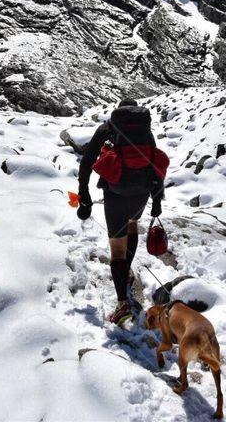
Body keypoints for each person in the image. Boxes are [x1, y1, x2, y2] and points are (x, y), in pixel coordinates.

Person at [77, 99, 165, 326]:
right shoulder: (145, 132)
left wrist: (83, 195)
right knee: (132, 226)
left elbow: (87, 162)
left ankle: (122, 306)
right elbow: (155, 165)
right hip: (142, 191)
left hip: (115, 192)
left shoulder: (107, 128)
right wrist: (157, 200)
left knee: (117, 248)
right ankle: (125, 273)